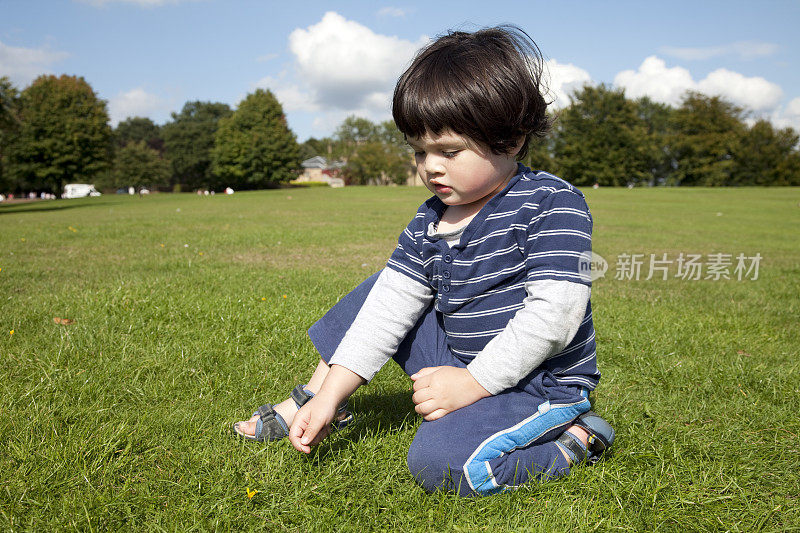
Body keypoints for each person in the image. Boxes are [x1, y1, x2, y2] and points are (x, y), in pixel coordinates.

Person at [233, 25, 614, 496]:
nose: (431, 166)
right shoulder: (430, 219)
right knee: (384, 288)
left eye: (449, 151)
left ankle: (574, 441)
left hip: (537, 383)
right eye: (420, 151)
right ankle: (319, 398)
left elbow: (554, 318)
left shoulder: (553, 204)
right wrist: (332, 394)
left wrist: (473, 383)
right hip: (456, 357)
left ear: (510, 140)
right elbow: (388, 309)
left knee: (441, 464)